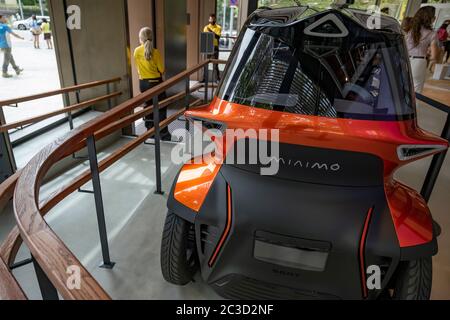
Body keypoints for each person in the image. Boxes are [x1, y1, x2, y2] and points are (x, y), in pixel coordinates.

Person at [134, 27, 170, 140]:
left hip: (143, 84)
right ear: (151, 37)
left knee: (148, 107)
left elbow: (138, 69)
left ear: (141, 38)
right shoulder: (155, 52)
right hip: (156, 83)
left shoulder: (136, 51)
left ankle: (150, 132)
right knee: (161, 107)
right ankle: (163, 134)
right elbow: (162, 70)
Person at [405, 6, 439, 93]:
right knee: (416, 91)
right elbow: (434, 56)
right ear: (431, 18)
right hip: (419, 62)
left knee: (402, 87)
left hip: (404, 60)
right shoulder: (432, 34)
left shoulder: (410, 30)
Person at [202, 13, 222, 82]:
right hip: (207, 46)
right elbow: (204, 37)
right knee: (205, 64)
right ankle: (204, 79)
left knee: (215, 64)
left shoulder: (218, 27)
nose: (212, 20)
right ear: (209, 19)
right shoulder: (205, 27)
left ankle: (217, 79)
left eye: (213, 19)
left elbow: (218, 37)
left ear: (215, 19)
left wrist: (211, 31)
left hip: (215, 47)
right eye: (211, 19)